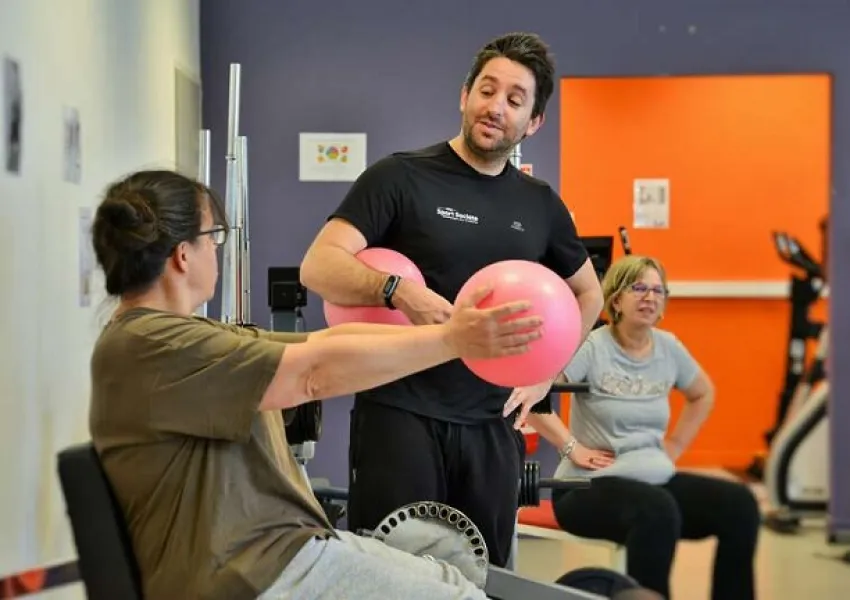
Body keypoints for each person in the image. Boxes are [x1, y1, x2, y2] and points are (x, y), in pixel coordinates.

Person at [88, 169, 550, 600]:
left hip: (274, 548)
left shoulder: (179, 334)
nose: (218, 251)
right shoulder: (152, 344)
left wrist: (442, 330)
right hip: (245, 572)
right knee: (464, 597)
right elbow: (312, 374)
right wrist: (453, 341)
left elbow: (324, 342)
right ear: (182, 255)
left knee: (455, 576)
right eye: (214, 238)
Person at [299, 31, 605, 568]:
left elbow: (588, 294)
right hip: (400, 411)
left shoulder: (539, 205)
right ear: (464, 95)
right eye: (487, 90)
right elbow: (319, 265)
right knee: (395, 573)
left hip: (492, 422)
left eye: (515, 99)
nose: (496, 107)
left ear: (532, 123)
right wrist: (395, 289)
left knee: (482, 575)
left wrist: (542, 376)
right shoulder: (399, 177)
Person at [527, 255, 761, 600]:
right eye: (639, 288)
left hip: (653, 482)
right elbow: (533, 397)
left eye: (657, 290)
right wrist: (571, 447)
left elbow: (703, 393)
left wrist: (676, 445)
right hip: (585, 488)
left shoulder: (668, 348)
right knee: (656, 509)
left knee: (739, 503)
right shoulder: (593, 346)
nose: (650, 297)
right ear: (616, 299)